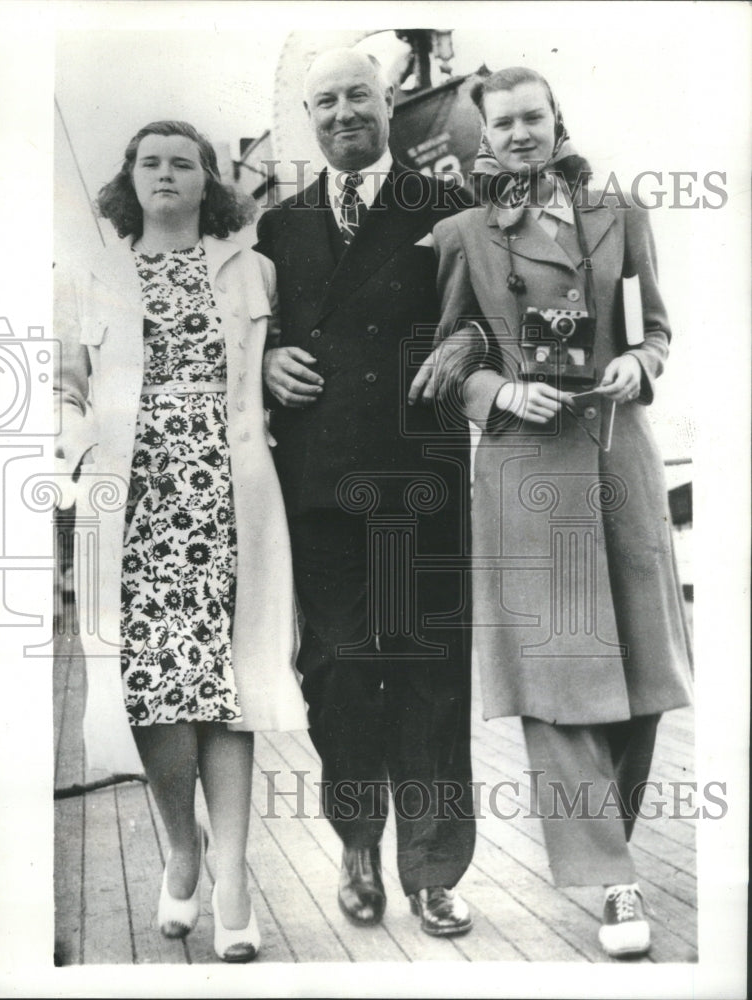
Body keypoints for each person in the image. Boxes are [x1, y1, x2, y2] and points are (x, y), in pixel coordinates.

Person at [410, 66, 693, 958]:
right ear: (483, 138)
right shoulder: (462, 234)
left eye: (534, 117)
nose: (521, 133)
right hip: (528, 469)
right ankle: (612, 881)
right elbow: (440, 361)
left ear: (555, 121)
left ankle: (609, 851)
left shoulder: (620, 214)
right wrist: (499, 391)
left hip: (619, 455)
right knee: (563, 685)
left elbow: (655, 329)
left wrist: (640, 366)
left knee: (646, 682)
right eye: (503, 123)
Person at [53, 120, 308, 963]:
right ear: (130, 179)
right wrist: (78, 451)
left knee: (226, 680)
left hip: (227, 495)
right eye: (149, 162)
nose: (166, 174)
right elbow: (61, 384)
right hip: (134, 502)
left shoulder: (252, 269)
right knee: (154, 682)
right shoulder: (88, 273)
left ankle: (230, 875)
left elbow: (275, 362)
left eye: (183, 162)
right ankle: (184, 847)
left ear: (209, 181)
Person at [255, 49, 476, 936]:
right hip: (321, 483)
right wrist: (266, 362)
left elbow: (497, 317)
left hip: (419, 477)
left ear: (388, 105)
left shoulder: (446, 208)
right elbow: (246, 332)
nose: (344, 112)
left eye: (359, 96)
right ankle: (357, 844)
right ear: (308, 119)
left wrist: (474, 347)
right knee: (339, 672)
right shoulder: (280, 226)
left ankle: (431, 870)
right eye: (326, 102)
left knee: (427, 670)